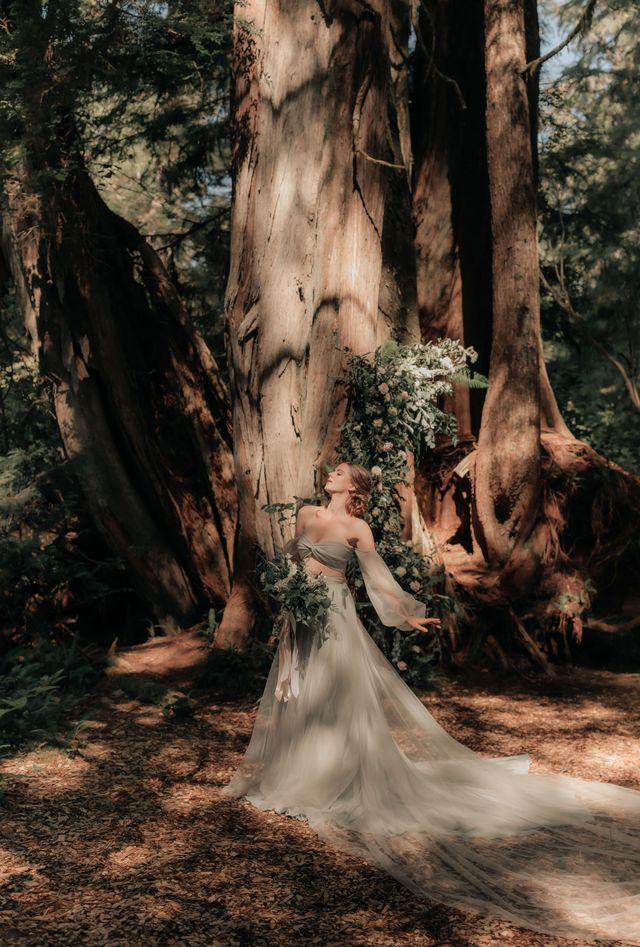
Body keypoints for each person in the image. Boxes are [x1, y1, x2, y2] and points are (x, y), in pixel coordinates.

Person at [222, 462, 640, 943]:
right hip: (302, 617)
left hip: (336, 617)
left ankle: (335, 776)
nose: (330, 473)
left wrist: (407, 615)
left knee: (336, 692)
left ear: (355, 488)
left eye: (340, 471)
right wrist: (288, 594)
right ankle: (296, 769)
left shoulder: (358, 529)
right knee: (301, 694)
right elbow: (292, 563)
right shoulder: (306, 515)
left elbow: (378, 581)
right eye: (332, 471)